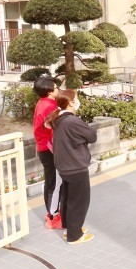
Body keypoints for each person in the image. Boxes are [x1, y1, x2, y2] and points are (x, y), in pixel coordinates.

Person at [46, 90, 97, 244]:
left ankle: (70, 229)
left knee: (68, 198)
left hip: (64, 165)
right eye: (76, 99)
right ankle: (75, 235)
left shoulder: (58, 119)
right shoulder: (72, 121)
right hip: (75, 165)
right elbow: (92, 136)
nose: (78, 101)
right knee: (79, 201)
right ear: (70, 102)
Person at [32, 76, 61, 229]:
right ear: (50, 91)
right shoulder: (49, 107)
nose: (58, 90)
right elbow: (53, 130)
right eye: (56, 88)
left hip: (44, 147)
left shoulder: (43, 103)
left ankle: (52, 212)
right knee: (54, 183)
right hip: (49, 149)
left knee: (51, 182)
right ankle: (52, 216)